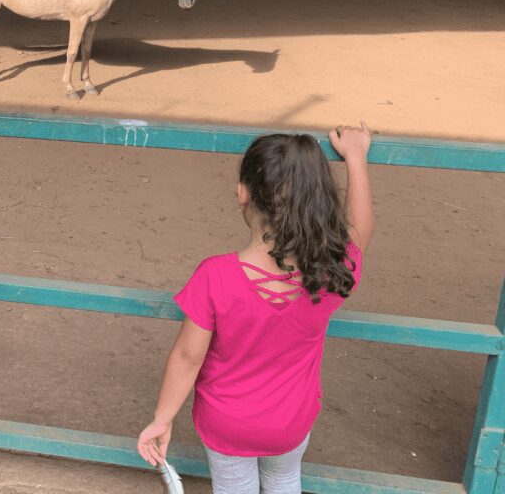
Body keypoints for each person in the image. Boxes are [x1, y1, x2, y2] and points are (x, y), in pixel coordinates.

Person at [137, 123, 374, 494]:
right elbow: (360, 230)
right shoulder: (333, 272)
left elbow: (187, 356)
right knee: (283, 479)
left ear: (242, 193)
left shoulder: (215, 276)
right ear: (319, 199)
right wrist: (356, 159)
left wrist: (162, 419)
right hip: (290, 421)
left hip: (226, 420)